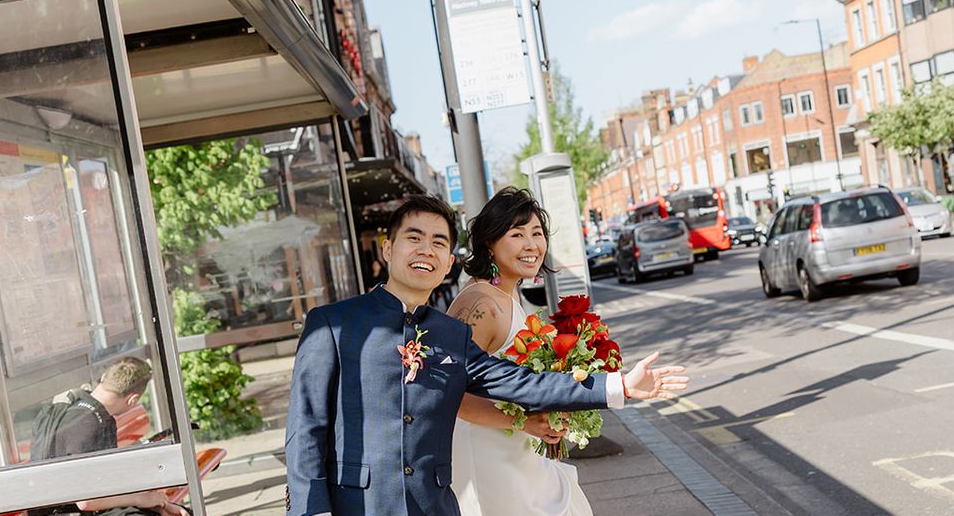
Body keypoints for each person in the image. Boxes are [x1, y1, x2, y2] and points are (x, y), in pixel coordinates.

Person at [284, 193, 687, 516]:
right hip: (357, 505)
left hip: (435, 504)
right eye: (414, 238)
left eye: (438, 242)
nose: (426, 249)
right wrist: (311, 510)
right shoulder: (331, 324)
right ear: (388, 250)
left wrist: (621, 386)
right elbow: (306, 429)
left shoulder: (450, 333)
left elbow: (521, 383)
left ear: (448, 263)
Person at [450, 187, 612, 516]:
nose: (531, 245)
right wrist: (526, 422)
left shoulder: (504, 296)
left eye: (537, 233)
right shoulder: (482, 305)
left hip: (513, 453)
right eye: (517, 234)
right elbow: (451, 396)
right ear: (489, 244)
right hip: (488, 457)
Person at [27, 357, 186, 516]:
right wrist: (140, 499)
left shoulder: (76, 405)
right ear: (132, 400)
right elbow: (87, 502)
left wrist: (159, 504)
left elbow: (106, 483)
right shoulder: (91, 424)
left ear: (104, 377)